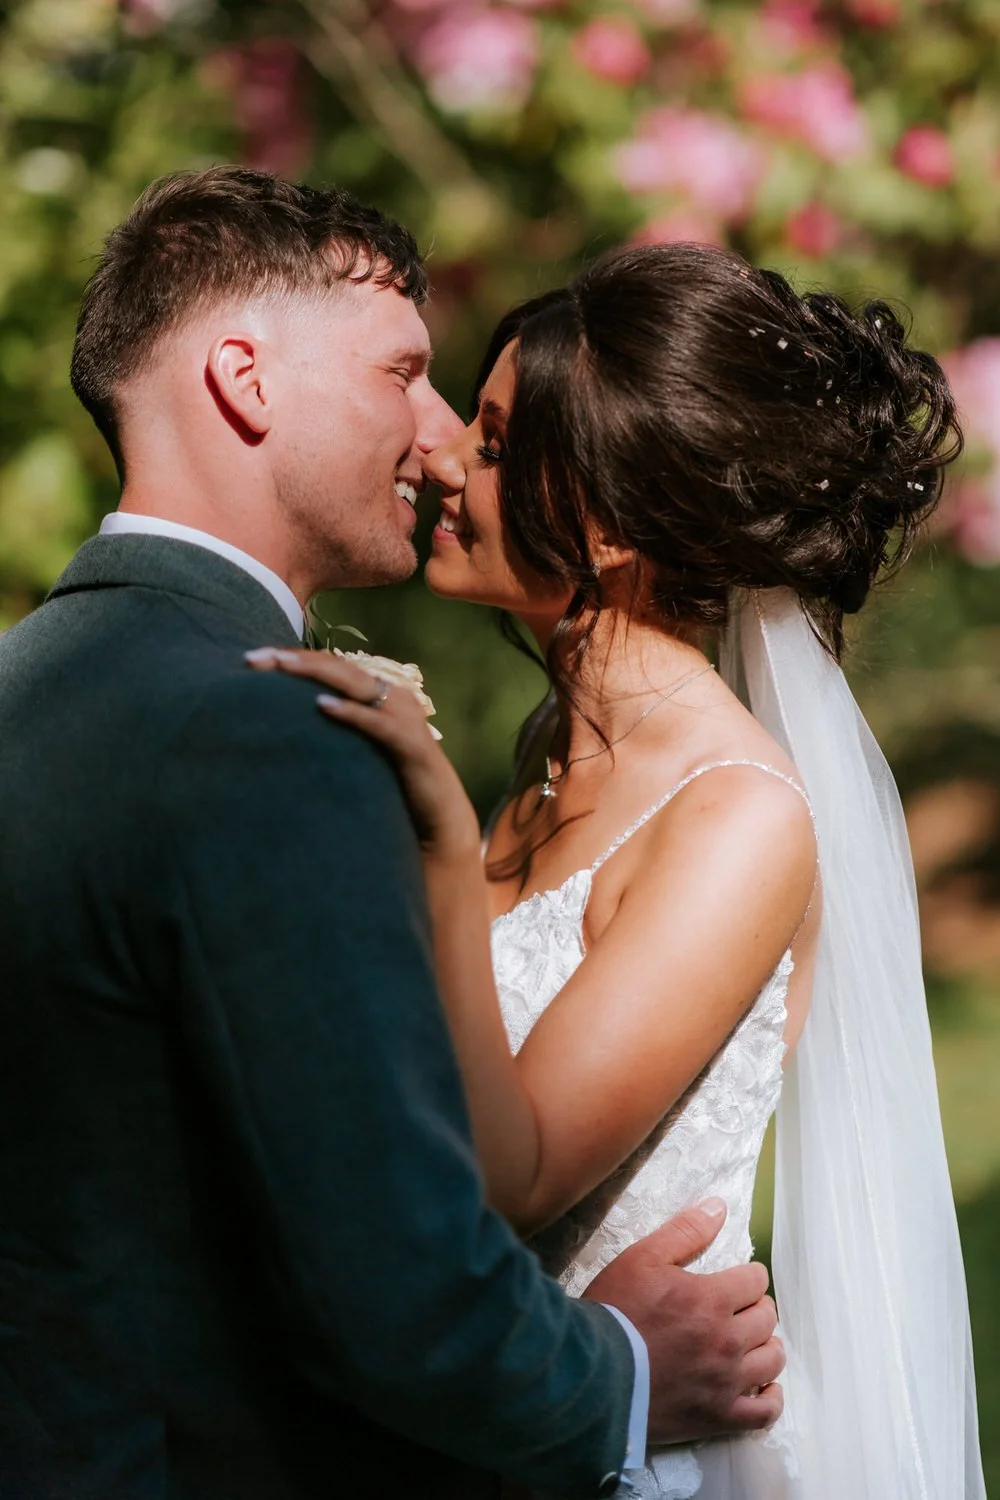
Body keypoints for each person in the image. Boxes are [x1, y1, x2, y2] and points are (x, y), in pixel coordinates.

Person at [0, 172, 786, 1500]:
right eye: (403, 374)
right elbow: (388, 1286)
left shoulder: (30, 684)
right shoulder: (264, 739)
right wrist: (625, 1373)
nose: (434, 438)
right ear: (243, 380)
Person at [264, 243, 987, 1498]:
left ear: (596, 530)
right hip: (499, 1416)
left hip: (645, 1454)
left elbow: (520, 1169)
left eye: (489, 445)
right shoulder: (554, 753)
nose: (439, 456)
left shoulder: (735, 814)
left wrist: (434, 836)